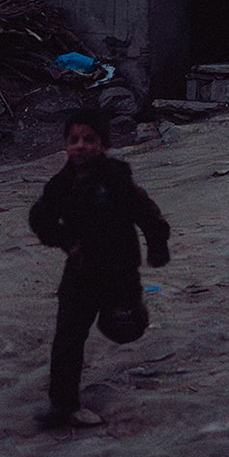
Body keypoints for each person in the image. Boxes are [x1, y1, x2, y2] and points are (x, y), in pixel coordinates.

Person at [28, 109, 170, 430]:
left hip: (120, 271)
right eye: (73, 140)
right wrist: (65, 240)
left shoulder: (115, 178)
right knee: (67, 338)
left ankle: (132, 313)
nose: (80, 146)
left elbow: (146, 212)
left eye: (89, 139)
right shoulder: (61, 185)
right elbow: (40, 218)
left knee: (124, 327)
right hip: (81, 272)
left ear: (104, 145)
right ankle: (63, 405)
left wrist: (157, 245)